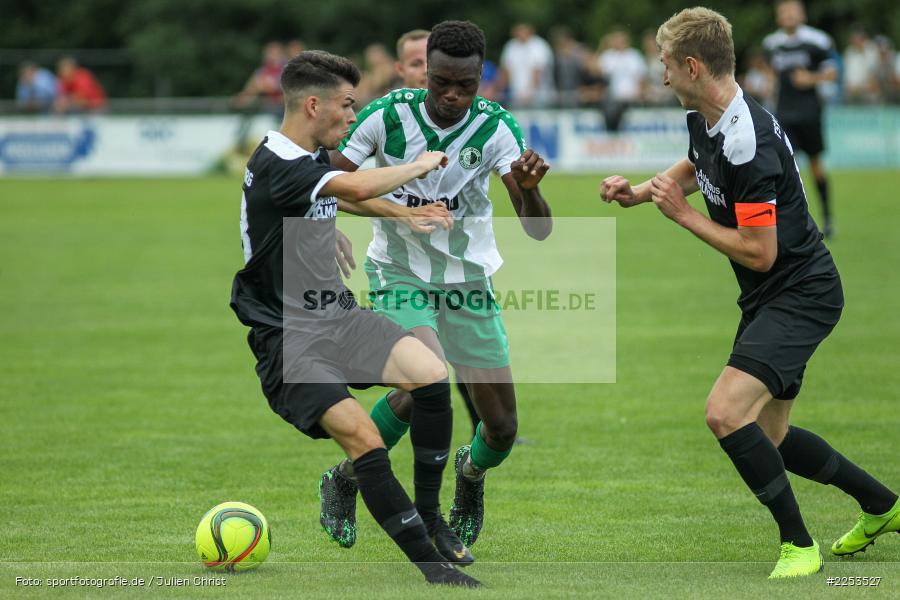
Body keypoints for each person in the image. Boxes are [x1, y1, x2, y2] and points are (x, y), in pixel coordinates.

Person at [601, 7, 899, 579]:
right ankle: (885, 506)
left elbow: (759, 252)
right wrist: (640, 192)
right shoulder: (707, 117)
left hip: (800, 290)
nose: (661, 76)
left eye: (665, 64)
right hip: (774, 291)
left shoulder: (750, 141)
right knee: (772, 435)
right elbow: (697, 163)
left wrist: (683, 217)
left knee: (724, 413)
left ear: (691, 65)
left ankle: (799, 545)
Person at [229, 49, 481, 588]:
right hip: (289, 338)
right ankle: (432, 569)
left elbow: (343, 200)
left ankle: (432, 517)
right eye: (346, 105)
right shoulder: (278, 164)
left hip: (334, 316)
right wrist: (421, 165)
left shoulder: (308, 156)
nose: (351, 116)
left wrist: (404, 214)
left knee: (432, 377)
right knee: (365, 439)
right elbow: (356, 187)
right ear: (313, 104)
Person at [318, 20, 552, 561]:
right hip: (398, 273)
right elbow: (327, 180)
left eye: (465, 86)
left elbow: (537, 228)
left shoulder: (497, 129)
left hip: (469, 280)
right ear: (426, 70)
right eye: (441, 82)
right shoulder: (385, 116)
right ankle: (399, 503)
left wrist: (533, 194)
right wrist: (325, 219)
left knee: (501, 427)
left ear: (480, 78)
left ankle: (467, 476)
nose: (452, 95)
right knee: (429, 379)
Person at [390, 28, 483, 436]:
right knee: (431, 370)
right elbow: (345, 184)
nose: (421, 75)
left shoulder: (473, 124)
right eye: (414, 66)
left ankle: (484, 429)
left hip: (458, 263)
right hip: (400, 263)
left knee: (460, 362)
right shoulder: (389, 120)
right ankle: (368, 457)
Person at [763, 0, 837, 238]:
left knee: (816, 166)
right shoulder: (772, 44)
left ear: (802, 14)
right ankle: (792, 222)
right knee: (786, 169)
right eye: (784, 12)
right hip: (783, 115)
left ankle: (827, 218)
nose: (789, 15)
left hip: (810, 113)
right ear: (778, 17)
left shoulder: (818, 41)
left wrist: (810, 78)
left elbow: (832, 72)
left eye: (792, 11)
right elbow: (770, 75)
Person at [500, 23, 555, 108]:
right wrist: (503, 90)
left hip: (538, 95)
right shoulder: (511, 46)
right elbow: (506, 70)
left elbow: (538, 71)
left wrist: (530, 93)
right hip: (516, 95)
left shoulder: (539, 45)